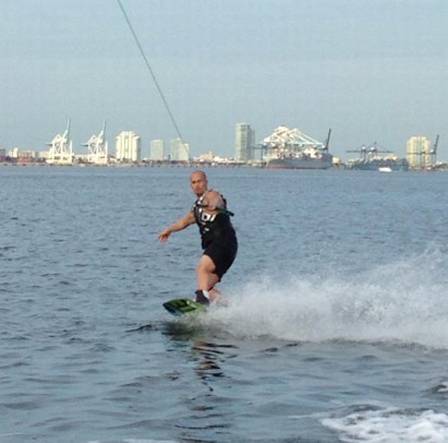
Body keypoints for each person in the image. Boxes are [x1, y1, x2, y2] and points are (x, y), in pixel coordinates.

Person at [158, 170, 237, 305]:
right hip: (228, 251)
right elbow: (184, 222)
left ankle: (201, 301)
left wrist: (215, 205)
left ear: (206, 182)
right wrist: (169, 230)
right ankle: (230, 307)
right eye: (193, 183)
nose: (197, 185)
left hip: (223, 242)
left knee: (202, 268)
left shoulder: (212, 195)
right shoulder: (197, 207)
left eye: (199, 181)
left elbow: (217, 201)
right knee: (208, 288)